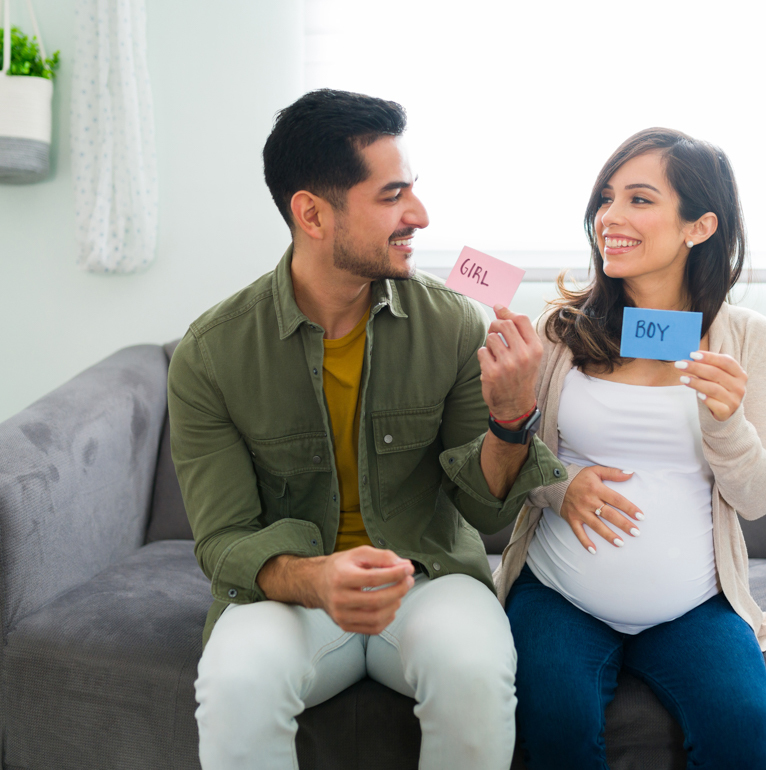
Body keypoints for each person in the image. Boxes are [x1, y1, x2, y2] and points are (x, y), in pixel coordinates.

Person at [167, 89, 564, 770]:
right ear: (312, 213)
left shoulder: (454, 324)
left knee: (474, 671)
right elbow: (225, 543)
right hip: (289, 594)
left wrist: (511, 418)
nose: (420, 216)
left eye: (414, 191)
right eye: (392, 197)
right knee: (235, 680)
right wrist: (315, 579)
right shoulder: (211, 354)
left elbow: (484, 509)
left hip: (431, 580)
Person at [495, 128, 766, 769]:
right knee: (555, 732)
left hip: (696, 604)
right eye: (606, 197)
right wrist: (559, 487)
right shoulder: (560, 331)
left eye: (639, 199)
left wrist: (727, 423)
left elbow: (761, 498)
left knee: (742, 739)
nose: (611, 217)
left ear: (699, 226)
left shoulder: (746, 338)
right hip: (560, 594)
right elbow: (510, 463)